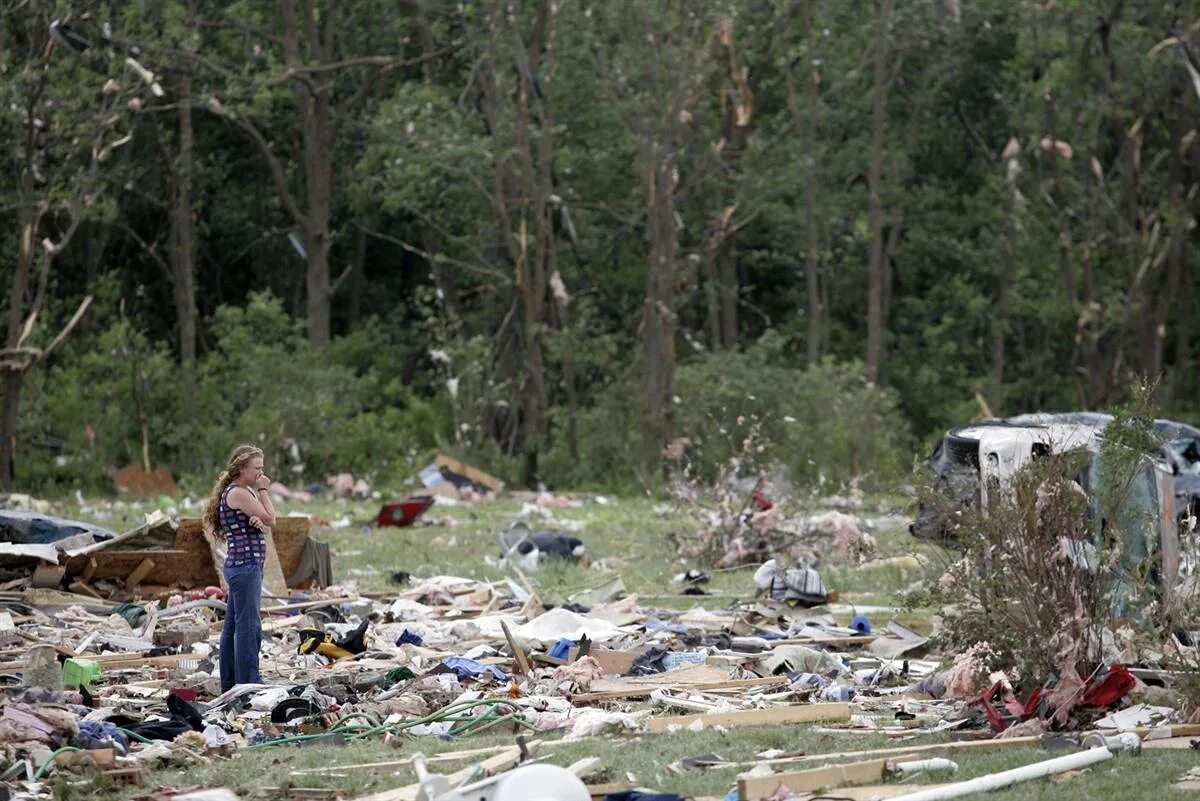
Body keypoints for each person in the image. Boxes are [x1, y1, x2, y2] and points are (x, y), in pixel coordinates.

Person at [203, 444, 276, 692]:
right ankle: (249, 682)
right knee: (249, 627)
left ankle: (231, 683)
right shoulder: (241, 492)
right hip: (245, 568)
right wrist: (264, 489)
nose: (260, 472)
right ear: (241, 468)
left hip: (242, 566)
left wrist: (255, 520)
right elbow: (271, 518)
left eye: (262, 468)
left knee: (233, 626)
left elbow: (260, 521)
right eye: (257, 468)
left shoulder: (239, 493)